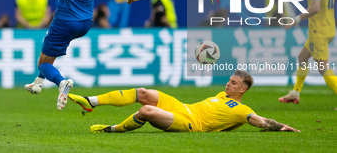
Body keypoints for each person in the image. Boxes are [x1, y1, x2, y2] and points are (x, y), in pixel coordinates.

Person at [8, 0, 142, 110]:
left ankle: (62, 83)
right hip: (86, 22)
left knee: (43, 62)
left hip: (65, 20)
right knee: (49, 53)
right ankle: (38, 82)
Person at [68, 70, 300, 133]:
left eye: (233, 83)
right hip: (182, 107)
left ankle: (113, 129)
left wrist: (281, 126)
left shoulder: (242, 109)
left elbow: (259, 121)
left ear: (244, 88)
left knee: (147, 111)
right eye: (229, 80)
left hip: (190, 124)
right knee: (143, 93)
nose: (228, 84)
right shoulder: (221, 95)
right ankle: (91, 101)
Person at [279, 0, 337, 104]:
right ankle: (295, 93)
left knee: (323, 67)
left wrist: (296, 19)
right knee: (303, 57)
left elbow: (315, 8)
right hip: (329, 27)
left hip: (319, 30)